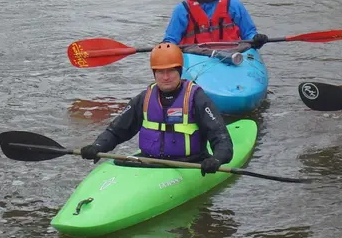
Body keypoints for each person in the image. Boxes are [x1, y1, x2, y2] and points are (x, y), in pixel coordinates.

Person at [76, 43, 234, 173]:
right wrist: (97, 146)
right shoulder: (144, 98)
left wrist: (216, 159)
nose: (166, 77)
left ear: (179, 70)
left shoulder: (196, 98)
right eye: (160, 72)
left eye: (171, 71)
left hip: (188, 164)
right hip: (149, 161)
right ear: (154, 73)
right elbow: (116, 131)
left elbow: (221, 137)